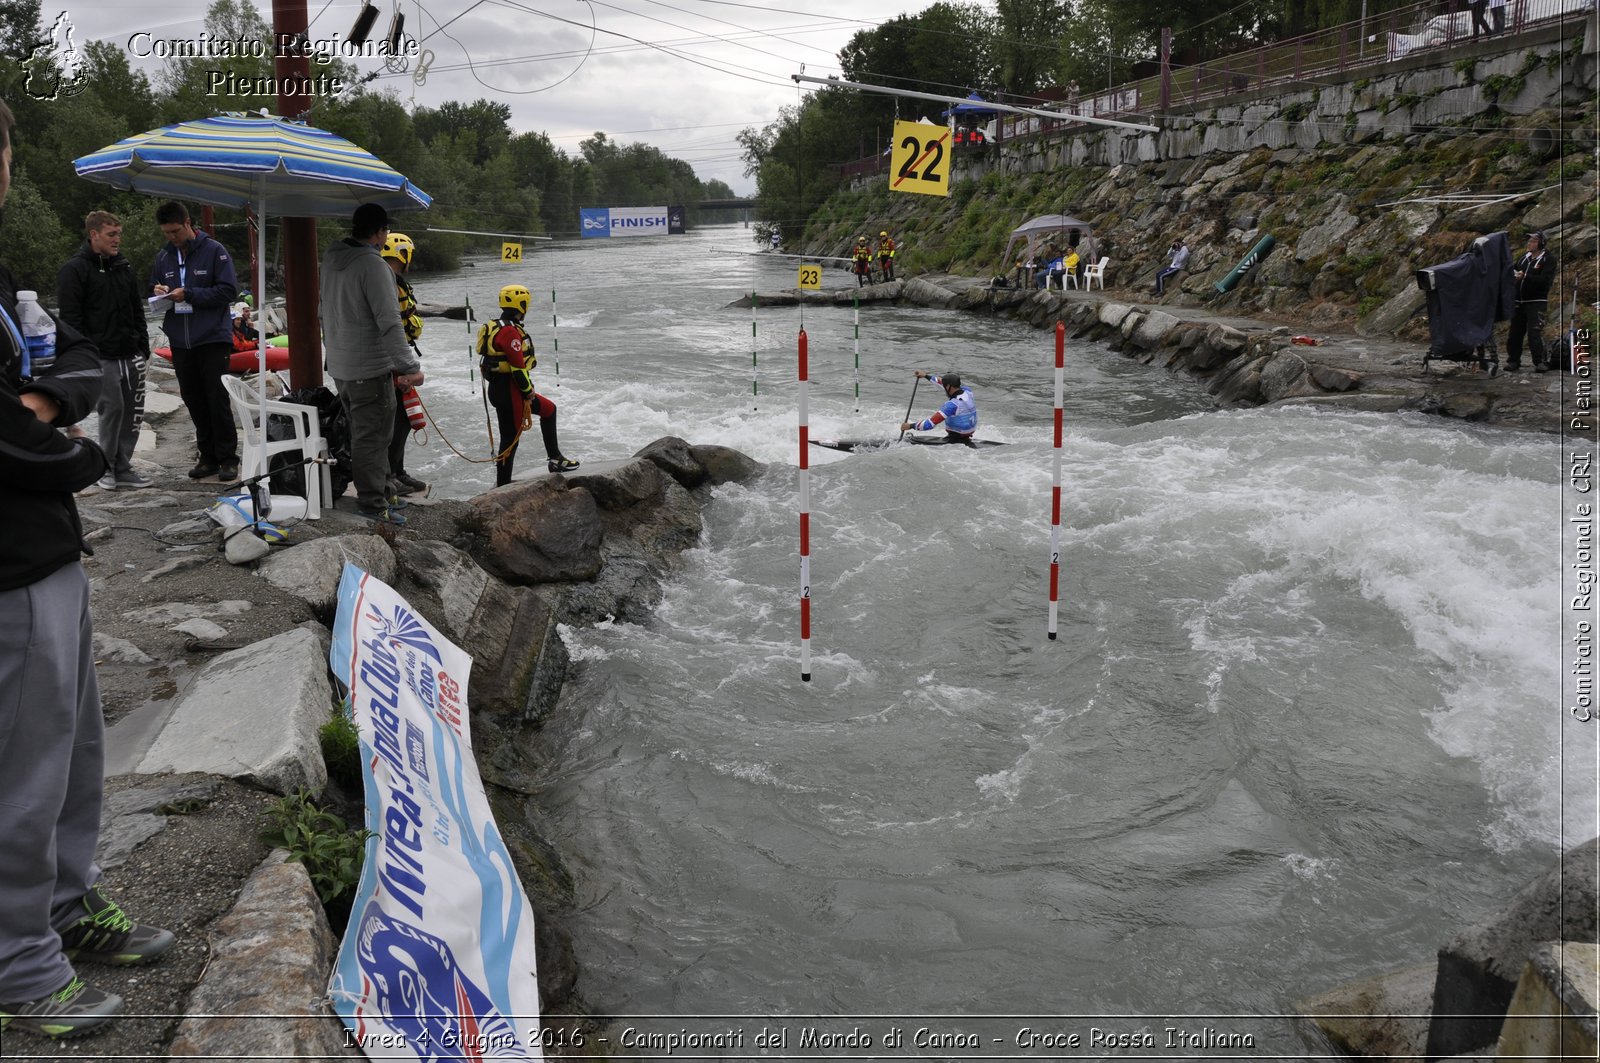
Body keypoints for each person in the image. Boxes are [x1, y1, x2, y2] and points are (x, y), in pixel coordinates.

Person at [0, 96, 175, 1041]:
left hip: (51, 549)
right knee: (18, 776)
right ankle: (16, 966)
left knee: (75, 759)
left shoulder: (6, 278)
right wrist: (76, 445)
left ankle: (66, 910)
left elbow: (72, 357)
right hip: (8, 568)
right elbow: (23, 437)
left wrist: (48, 397)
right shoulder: (55, 274)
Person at [319, 203, 424, 525]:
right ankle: (373, 503)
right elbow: (389, 322)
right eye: (385, 232)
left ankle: (384, 489)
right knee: (372, 438)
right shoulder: (374, 266)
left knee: (367, 434)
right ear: (380, 233)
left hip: (341, 365)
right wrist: (409, 367)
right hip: (368, 369)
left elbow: (322, 312)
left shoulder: (331, 261)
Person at [57, 210, 151, 491]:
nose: (117, 239)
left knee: (132, 411)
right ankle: (105, 467)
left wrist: (143, 346)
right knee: (112, 410)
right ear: (94, 234)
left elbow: (137, 309)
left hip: (129, 352)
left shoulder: (124, 266)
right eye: (112, 234)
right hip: (100, 355)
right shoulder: (74, 270)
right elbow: (70, 319)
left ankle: (123, 466)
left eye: (119, 234)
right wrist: (83, 355)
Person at [149, 201, 239, 482]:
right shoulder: (163, 257)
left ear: (188, 223)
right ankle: (207, 456)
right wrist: (158, 291)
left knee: (217, 399)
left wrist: (189, 294)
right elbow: (153, 288)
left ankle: (228, 458)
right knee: (193, 399)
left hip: (212, 337)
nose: (172, 237)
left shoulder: (215, 251)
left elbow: (228, 292)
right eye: (166, 233)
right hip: (180, 339)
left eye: (175, 231)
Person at [477, 283, 578, 486]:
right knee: (509, 439)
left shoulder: (496, 325)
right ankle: (503, 484)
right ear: (521, 305)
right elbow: (517, 367)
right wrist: (528, 391)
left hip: (500, 389)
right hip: (509, 390)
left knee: (549, 410)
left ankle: (555, 459)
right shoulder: (510, 332)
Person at [380, 231, 427, 496]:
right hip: (393, 359)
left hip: (398, 355)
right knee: (399, 419)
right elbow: (392, 323)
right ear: (403, 254)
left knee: (404, 418)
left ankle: (398, 471)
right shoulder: (389, 282)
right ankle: (391, 473)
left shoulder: (393, 280)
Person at [1505, 230, 1555, 373]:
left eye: (1533, 241)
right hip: (1519, 301)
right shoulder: (1523, 258)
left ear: (1541, 243)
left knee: (1535, 332)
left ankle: (1540, 361)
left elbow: (1545, 281)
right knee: (1515, 333)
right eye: (1529, 241)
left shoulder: (1548, 259)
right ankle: (1513, 361)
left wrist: (1525, 277)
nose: (1529, 243)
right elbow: (1512, 271)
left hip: (1536, 300)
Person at [900, 368, 978, 444]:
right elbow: (942, 383)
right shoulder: (968, 391)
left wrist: (910, 426)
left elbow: (929, 424)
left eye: (945, 386)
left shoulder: (952, 405)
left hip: (954, 439)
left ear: (948, 386)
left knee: (907, 441)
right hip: (967, 435)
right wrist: (926, 376)